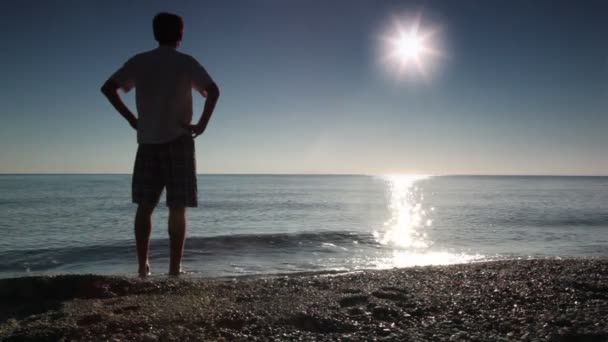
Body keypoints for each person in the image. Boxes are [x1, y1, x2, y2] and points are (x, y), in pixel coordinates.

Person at [101, 12, 220, 277]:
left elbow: (109, 87)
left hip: (148, 142)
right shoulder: (186, 62)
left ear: (155, 34)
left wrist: (133, 119)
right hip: (179, 141)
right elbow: (214, 91)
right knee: (177, 207)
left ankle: (142, 267)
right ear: (180, 35)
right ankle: (174, 269)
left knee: (146, 207)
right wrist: (201, 125)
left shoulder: (140, 61)